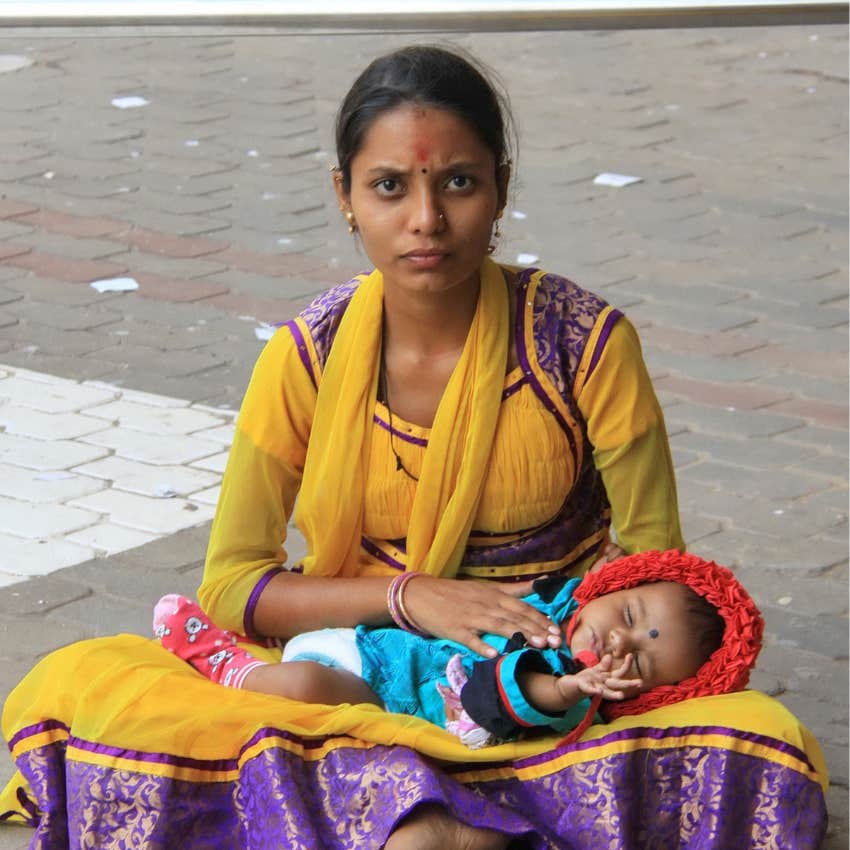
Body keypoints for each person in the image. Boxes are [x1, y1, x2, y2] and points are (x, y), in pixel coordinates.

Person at [1, 45, 828, 850]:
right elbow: (231, 586)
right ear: (345, 196)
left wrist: (591, 671)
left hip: (560, 683)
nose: (426, 220)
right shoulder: (306, 357)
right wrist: (412, 599)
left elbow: (658, 565)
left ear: (500, 187)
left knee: (760, 741)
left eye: (458, 183)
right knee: (122, 700)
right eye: (390, 187)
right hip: (367, 673)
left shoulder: (584, 344)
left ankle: (421, 807)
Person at [153, 551, 738, 752]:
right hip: (377, 644)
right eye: (629, 617)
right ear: (615, 584)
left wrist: (567, 689)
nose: (617, 642)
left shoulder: (571, 689)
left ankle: (225, 663)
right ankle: (242, 658)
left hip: (377, 694)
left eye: (638, 660)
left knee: (306, 687)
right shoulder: (559, 604)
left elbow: (518, 693)